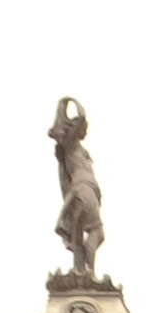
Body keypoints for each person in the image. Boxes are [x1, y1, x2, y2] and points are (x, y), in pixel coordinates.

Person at [51, 97, 104, 279]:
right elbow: (81, 116)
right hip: (84, 189)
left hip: (83, 191)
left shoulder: (74, 147)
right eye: (83, 128)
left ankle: (81, 272)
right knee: (97, 233)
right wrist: (70, 100)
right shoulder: (71, 144)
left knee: (78, 236)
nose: (85, 129)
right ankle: (88, 274)